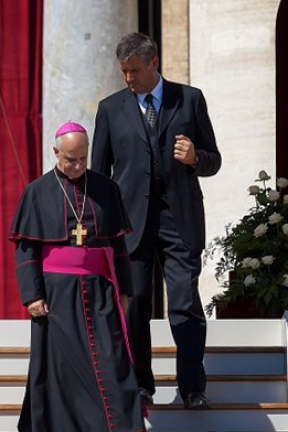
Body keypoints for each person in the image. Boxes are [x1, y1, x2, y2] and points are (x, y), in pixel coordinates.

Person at [92, 33, 221, 411]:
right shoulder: (110, 108)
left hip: (180, 221)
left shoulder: (190, 99)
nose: (129, 78)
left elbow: (214, 160)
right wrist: (101, 230)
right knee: (135, 308)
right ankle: (140, 386)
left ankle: (193, 388)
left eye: (134, 70)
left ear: (154, 63)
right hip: (130, 225)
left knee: (184, 304)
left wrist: (195, 157)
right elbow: (99, 175)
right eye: (124, 72)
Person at [10, 122, 146, 432]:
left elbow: (118, 245)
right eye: (71, 159)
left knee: (111, 362)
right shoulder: (36, 192)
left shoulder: (106, 188)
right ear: (55, 153)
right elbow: (26, 250)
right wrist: (32, 295)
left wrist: (125, 289)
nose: (78, 165)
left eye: (83, 158)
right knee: (60, 370)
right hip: (56, 296)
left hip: (100, 291)